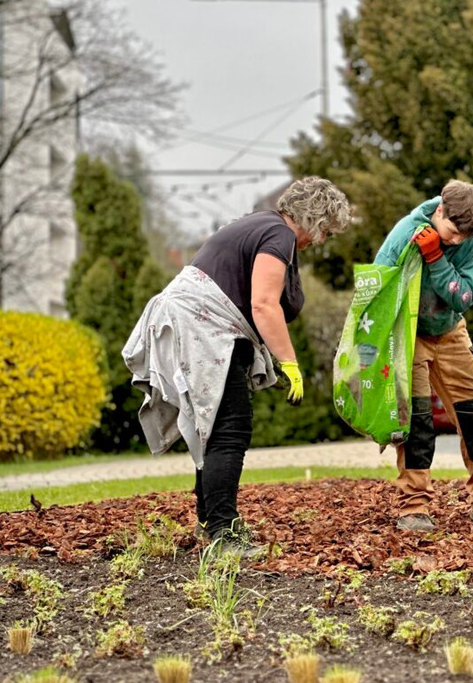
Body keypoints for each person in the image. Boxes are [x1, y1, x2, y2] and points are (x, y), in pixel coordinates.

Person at [123, 176, 352, 555]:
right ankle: (224, 535)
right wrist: (290, 363)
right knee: (230, 427)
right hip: (200, 322)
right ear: (313, 217)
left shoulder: (259, 224)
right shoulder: (278, 235)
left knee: (215, 426)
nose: (321, 240)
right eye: (325, 230)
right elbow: (263, 304)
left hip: (194, 322)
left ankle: (211, 522)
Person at [374, 179, 473, 532]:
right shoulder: (406, 232)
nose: (458, 240)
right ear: (439, 210)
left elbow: (464, 297)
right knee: (418, 422)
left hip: (450, 330)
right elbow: (377, 286)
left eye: (464, 237)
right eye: (452, 232)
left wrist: (436, 257)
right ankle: (414, 506)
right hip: (408, 333)